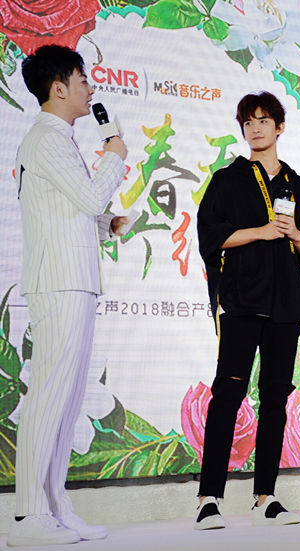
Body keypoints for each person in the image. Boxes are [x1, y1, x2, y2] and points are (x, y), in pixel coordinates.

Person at [10, 44, 129, 547]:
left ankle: (55, 505)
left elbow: (68, 209)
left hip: (72, 278)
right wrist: (115, 155)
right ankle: (29, 515)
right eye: (83, 80)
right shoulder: (46, 138)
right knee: (49, 397)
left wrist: (105, 225)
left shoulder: (57, 140)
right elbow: (89, 194)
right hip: (59, 281)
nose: (90, 88)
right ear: (58, 87)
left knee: (66, 399)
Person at [195, 92, 300, 528]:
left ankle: (265, 497)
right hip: (241, 301)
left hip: (286, 305)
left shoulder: (298, 185)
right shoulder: (227, 180)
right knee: (227, 395)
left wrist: (295, 234)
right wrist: (261, 230)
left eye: (263, 120)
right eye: (248, 122)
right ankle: (208, 498)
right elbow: (210, 236)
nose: (255, 128)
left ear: (279, 127)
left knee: (275, 400)